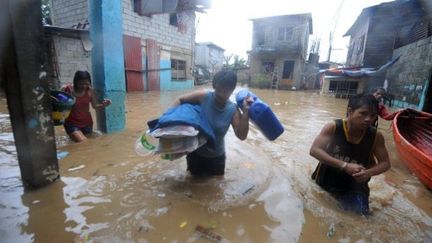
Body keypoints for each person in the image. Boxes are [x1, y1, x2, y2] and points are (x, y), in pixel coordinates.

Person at [309, 94, 391, 215]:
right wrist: (344, 165)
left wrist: (368, 173)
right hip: (326, 180)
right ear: (350, 111)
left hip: (355, 188)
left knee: (360, 219)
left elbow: (385, 163)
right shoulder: (333, 127)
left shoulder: (376, 136)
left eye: (373, 115)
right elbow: (315, 150)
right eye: (363, 113)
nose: (368, 119)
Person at [172, 70, 252, 176]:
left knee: (216, 187)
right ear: (214, 86)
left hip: (217, 158)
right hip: (195, 154)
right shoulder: (203, 96)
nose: (221, 93)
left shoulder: (233, 110)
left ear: (232, 89)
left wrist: (246, 112)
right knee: (192, 185)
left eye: (226, 90)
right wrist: (170, 121)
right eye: (218, 89)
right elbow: (180, 100)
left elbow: (241, 136)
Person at [62, 70, 111, 142]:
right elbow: (58, 102)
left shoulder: (90, 91)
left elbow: (95, 106)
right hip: (71, 124)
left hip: (87, 124)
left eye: (86, 84)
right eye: (81, 84)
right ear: (76, 82)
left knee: (87, 145)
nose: (84, 86)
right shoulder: (67, 89)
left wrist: (104, 105)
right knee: (84, 143)